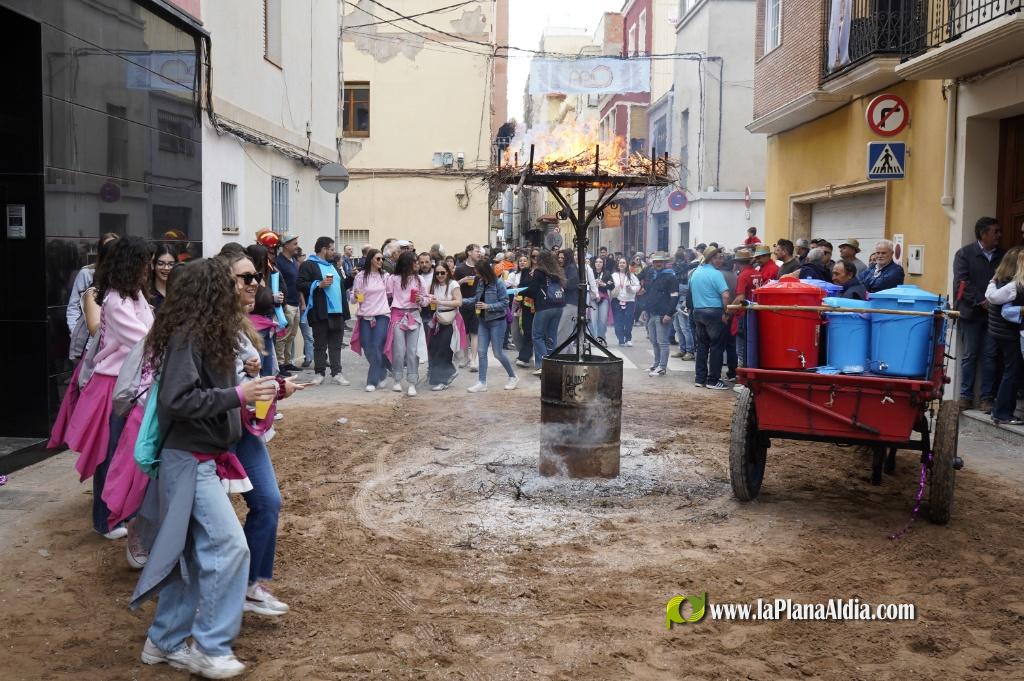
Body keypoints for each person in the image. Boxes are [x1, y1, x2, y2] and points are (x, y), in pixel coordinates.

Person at [131, 257, 277, 679]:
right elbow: (176, 400)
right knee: (230, 548)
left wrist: (249, 392)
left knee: (193, 556)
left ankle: (164, 641)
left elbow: (211, 394)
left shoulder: (204, 335)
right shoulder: (188, 336)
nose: (243, 288)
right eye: (232, 283)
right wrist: (237, 393)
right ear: (212, 291)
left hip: (200, 460)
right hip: (190, 462)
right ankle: (210, 647)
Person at [220, 249, 303, 618]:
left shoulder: (243, 324)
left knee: (268, 501)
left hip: (244, 430)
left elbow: (245, 384)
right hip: (210, 436)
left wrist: (273, 385)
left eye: (256, 277)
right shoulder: (209, 326)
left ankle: (252, 584)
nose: (255, 283)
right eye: (246, 278)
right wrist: (249, 380)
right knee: (210, 527)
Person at [62, 236, 154, 538]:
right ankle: (105, 520)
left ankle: (122, 515)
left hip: (132, 382)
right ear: (132, 264)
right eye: (145, 261)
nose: (149, 267)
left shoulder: (135, 295)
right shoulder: (114, 299)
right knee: (110, 453)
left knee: (128, 452)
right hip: (113, 386)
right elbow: (143, 339)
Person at [954, 217, 1004, 412]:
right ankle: (965, 396)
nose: (999, 235)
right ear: (983, 234)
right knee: (970, 355)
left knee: (990, 356)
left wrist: (995, 300)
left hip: (994, 316)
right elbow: (962, 282)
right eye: (995, 231)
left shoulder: (1003, 255)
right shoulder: (965, 254)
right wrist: (981, 300)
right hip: (971, 314)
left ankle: (986, 398)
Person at [297, 237, 350, 386]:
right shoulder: (309, 265)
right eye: (332, 249)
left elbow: (341, 286)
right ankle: (319, 373)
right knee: (319, 344)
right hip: (321, 311)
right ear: (323, 249)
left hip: (337, 311)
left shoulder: (333, 266)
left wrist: (351, 278)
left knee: (336, 345)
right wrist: (318, 284)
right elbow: (300, 284)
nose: (334, 252)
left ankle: (337, 373)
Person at [465, 258, 518, 392]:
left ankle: (513, 376)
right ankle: (482, 382)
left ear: (484, 272)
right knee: (481, 352)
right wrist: (460, 301)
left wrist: (488, 306)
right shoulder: (481, 283)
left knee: (498, 353)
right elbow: (475, 300)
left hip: (497, 322)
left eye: (478, 272)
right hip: (483, 322)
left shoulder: (498, 283)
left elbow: (505, 303)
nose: (477, 275)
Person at [984, 247, 1024, 425]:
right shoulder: (1013, 286)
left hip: (1000, 333)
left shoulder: (998, 281)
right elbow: (1006, 311)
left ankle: (1000, 410)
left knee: (1010, 371)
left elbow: (990, 296)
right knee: (1012, 372)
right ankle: (1002, 413)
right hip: (1009, 334)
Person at [688, 247, 731, 390]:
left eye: (721, 257)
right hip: (714, 313)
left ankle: (700, 378)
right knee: (716, 347)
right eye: (718, 257)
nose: (721, 260)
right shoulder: (716, 274)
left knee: (702, 346)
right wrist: (726, 312)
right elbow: (725, 295)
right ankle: (713, 380)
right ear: (711, 259)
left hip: (698, 312)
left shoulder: (695, 273)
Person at [66, 233, 119, 346]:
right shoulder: (86, 273)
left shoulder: (122, 275)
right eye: (107, 247)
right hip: (88, 342)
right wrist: (75, 334)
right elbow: (73, 307)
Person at [351, 248, 391, 391]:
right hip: (365, 315)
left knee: (376, 345)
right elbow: (353, 299)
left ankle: (372, 381)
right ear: (371, 260)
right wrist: (355, 296)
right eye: (378, 259)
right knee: (367, 347)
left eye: (382, 259)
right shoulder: (361, 277)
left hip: (382, 315)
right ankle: (382, 370)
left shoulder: (385, 276)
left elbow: (392, 292)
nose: (381, 261)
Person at [385, 251, 424, 396]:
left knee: (412, 351)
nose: (417, 264)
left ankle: (412, 382)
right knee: (399, 350)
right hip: (397, 314)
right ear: (408, 263)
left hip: (414, 314)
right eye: (415, 261)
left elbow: (426, 298)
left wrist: (422, 300)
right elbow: (387, 295)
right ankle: (397, 379)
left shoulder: (419, 279)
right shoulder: (393, 279)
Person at [244, 244, 283, 379]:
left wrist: (276, 299)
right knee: (258, 363)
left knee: (268, 364)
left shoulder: (265, 275)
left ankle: (267, 395)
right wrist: (271, 298)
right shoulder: (249, 279)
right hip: (256, 324)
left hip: (268, 323)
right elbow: (251, 302)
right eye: (264, 257)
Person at [525, 250, 567, 376]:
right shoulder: (557, 272)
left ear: (541, 260)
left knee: (537, 336)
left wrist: (520, 293)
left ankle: (543, 365)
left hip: (544, 307)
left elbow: (532, 290)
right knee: (551, 336)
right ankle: (552, 363)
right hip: (558, 306)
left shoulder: (539, 272)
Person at [426, 262, 464, 390]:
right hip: (438, 320)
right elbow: (426, 298)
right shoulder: (433, 285)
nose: (440, 275)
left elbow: (459, 302)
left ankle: (442, 381)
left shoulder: (453, 284)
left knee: (444, 349)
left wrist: (440, 302)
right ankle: (448, 373)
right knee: (434, 348)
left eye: (442, 272)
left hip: (451, 320)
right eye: (437, 273)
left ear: (448, 272)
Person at [644, 253, 679, 377]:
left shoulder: (670, 276)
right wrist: (645, 310)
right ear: (652, 263)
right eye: (655, 262)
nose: (657, 264)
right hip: (652, 313)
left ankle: (662, 367)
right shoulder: (654, 275)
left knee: (662, 342)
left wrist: (669, 314)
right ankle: (656, 364)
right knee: (654, 341)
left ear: (664, 263)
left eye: (660, 261)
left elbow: (674, 297)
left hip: (663, 314)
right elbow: (651, 295)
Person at [274, 232, 302, 372]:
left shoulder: (294, 261)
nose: (297, 246)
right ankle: (279, 364)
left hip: (296, 303)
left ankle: (287, 361)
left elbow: (297, 283)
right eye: (294, 244)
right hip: (286, 304)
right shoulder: (279, 262)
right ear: (285, 245)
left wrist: (302, 302)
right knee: (282, 336)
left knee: (291, 335)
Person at [729, 248, 760, 368]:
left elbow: (740, 298)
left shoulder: (743, 276)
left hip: (744, 314)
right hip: (755, 312)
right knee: (751, 345)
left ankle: (741, 375)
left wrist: (728, 311)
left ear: (737, 262)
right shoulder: (758, 273)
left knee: (740, 348)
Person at [455, 244, 483, 371]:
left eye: (479, 252)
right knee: (464, 332)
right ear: (469, 253)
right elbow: (453, 285)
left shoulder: (480, 268)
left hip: (476, 303)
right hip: (463, 303)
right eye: (477, 251)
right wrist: (462, 281)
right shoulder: (460, 268)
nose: (479, 254)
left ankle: (473, 360)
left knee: (475, 332)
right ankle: (466, 357)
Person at [508, 253, 534, 367]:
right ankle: (522, 352)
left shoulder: (532, 273)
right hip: (516, 303)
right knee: (515, 330)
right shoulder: (514, 274)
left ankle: (525, 355)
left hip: (529, 305)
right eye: (520, 261)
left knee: (528, 330)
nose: (522, 262)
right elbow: (506, 284)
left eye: (525, 260)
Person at [611, 257, 640, 346]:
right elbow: (610, 287)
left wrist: (630, 288)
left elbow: (638, 287)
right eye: (620, 263)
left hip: (629, 301)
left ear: (626, 265)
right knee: (618, 321)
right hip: (617, 300)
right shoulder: (613, 275)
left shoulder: (631, 275)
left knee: (629, 321)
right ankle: (620, 339)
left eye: (623, 263)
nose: (622, 264)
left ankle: (628, 338)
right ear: (617, 264)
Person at [295, 248, 314, 368]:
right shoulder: (297, 270)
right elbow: (300, 290)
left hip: (302, 306)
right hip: (299, 306)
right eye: (303, 255)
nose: (304, 257)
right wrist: (303, 303)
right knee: (306, 334)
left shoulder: (303, 269)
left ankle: (309, 358)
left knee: (308, 334)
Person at [591, 256, 615, 345]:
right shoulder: (591, 272)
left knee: (602, 320)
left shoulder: (607, 273)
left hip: (603, 298)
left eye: (600, 262)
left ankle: (601, 338)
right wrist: (594, 283)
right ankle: (594, 338)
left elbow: (612, 286)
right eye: (597, 262)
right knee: (593, 320)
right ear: (594, 263)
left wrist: (603, 284)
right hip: (593, 298)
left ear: (603, 263)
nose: (598, 263)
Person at [150, 244, 177, 312]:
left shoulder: (181, 292)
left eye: (171, 264)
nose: (166, 268)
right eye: (161, 263)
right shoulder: (145, 293)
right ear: (153, 265)